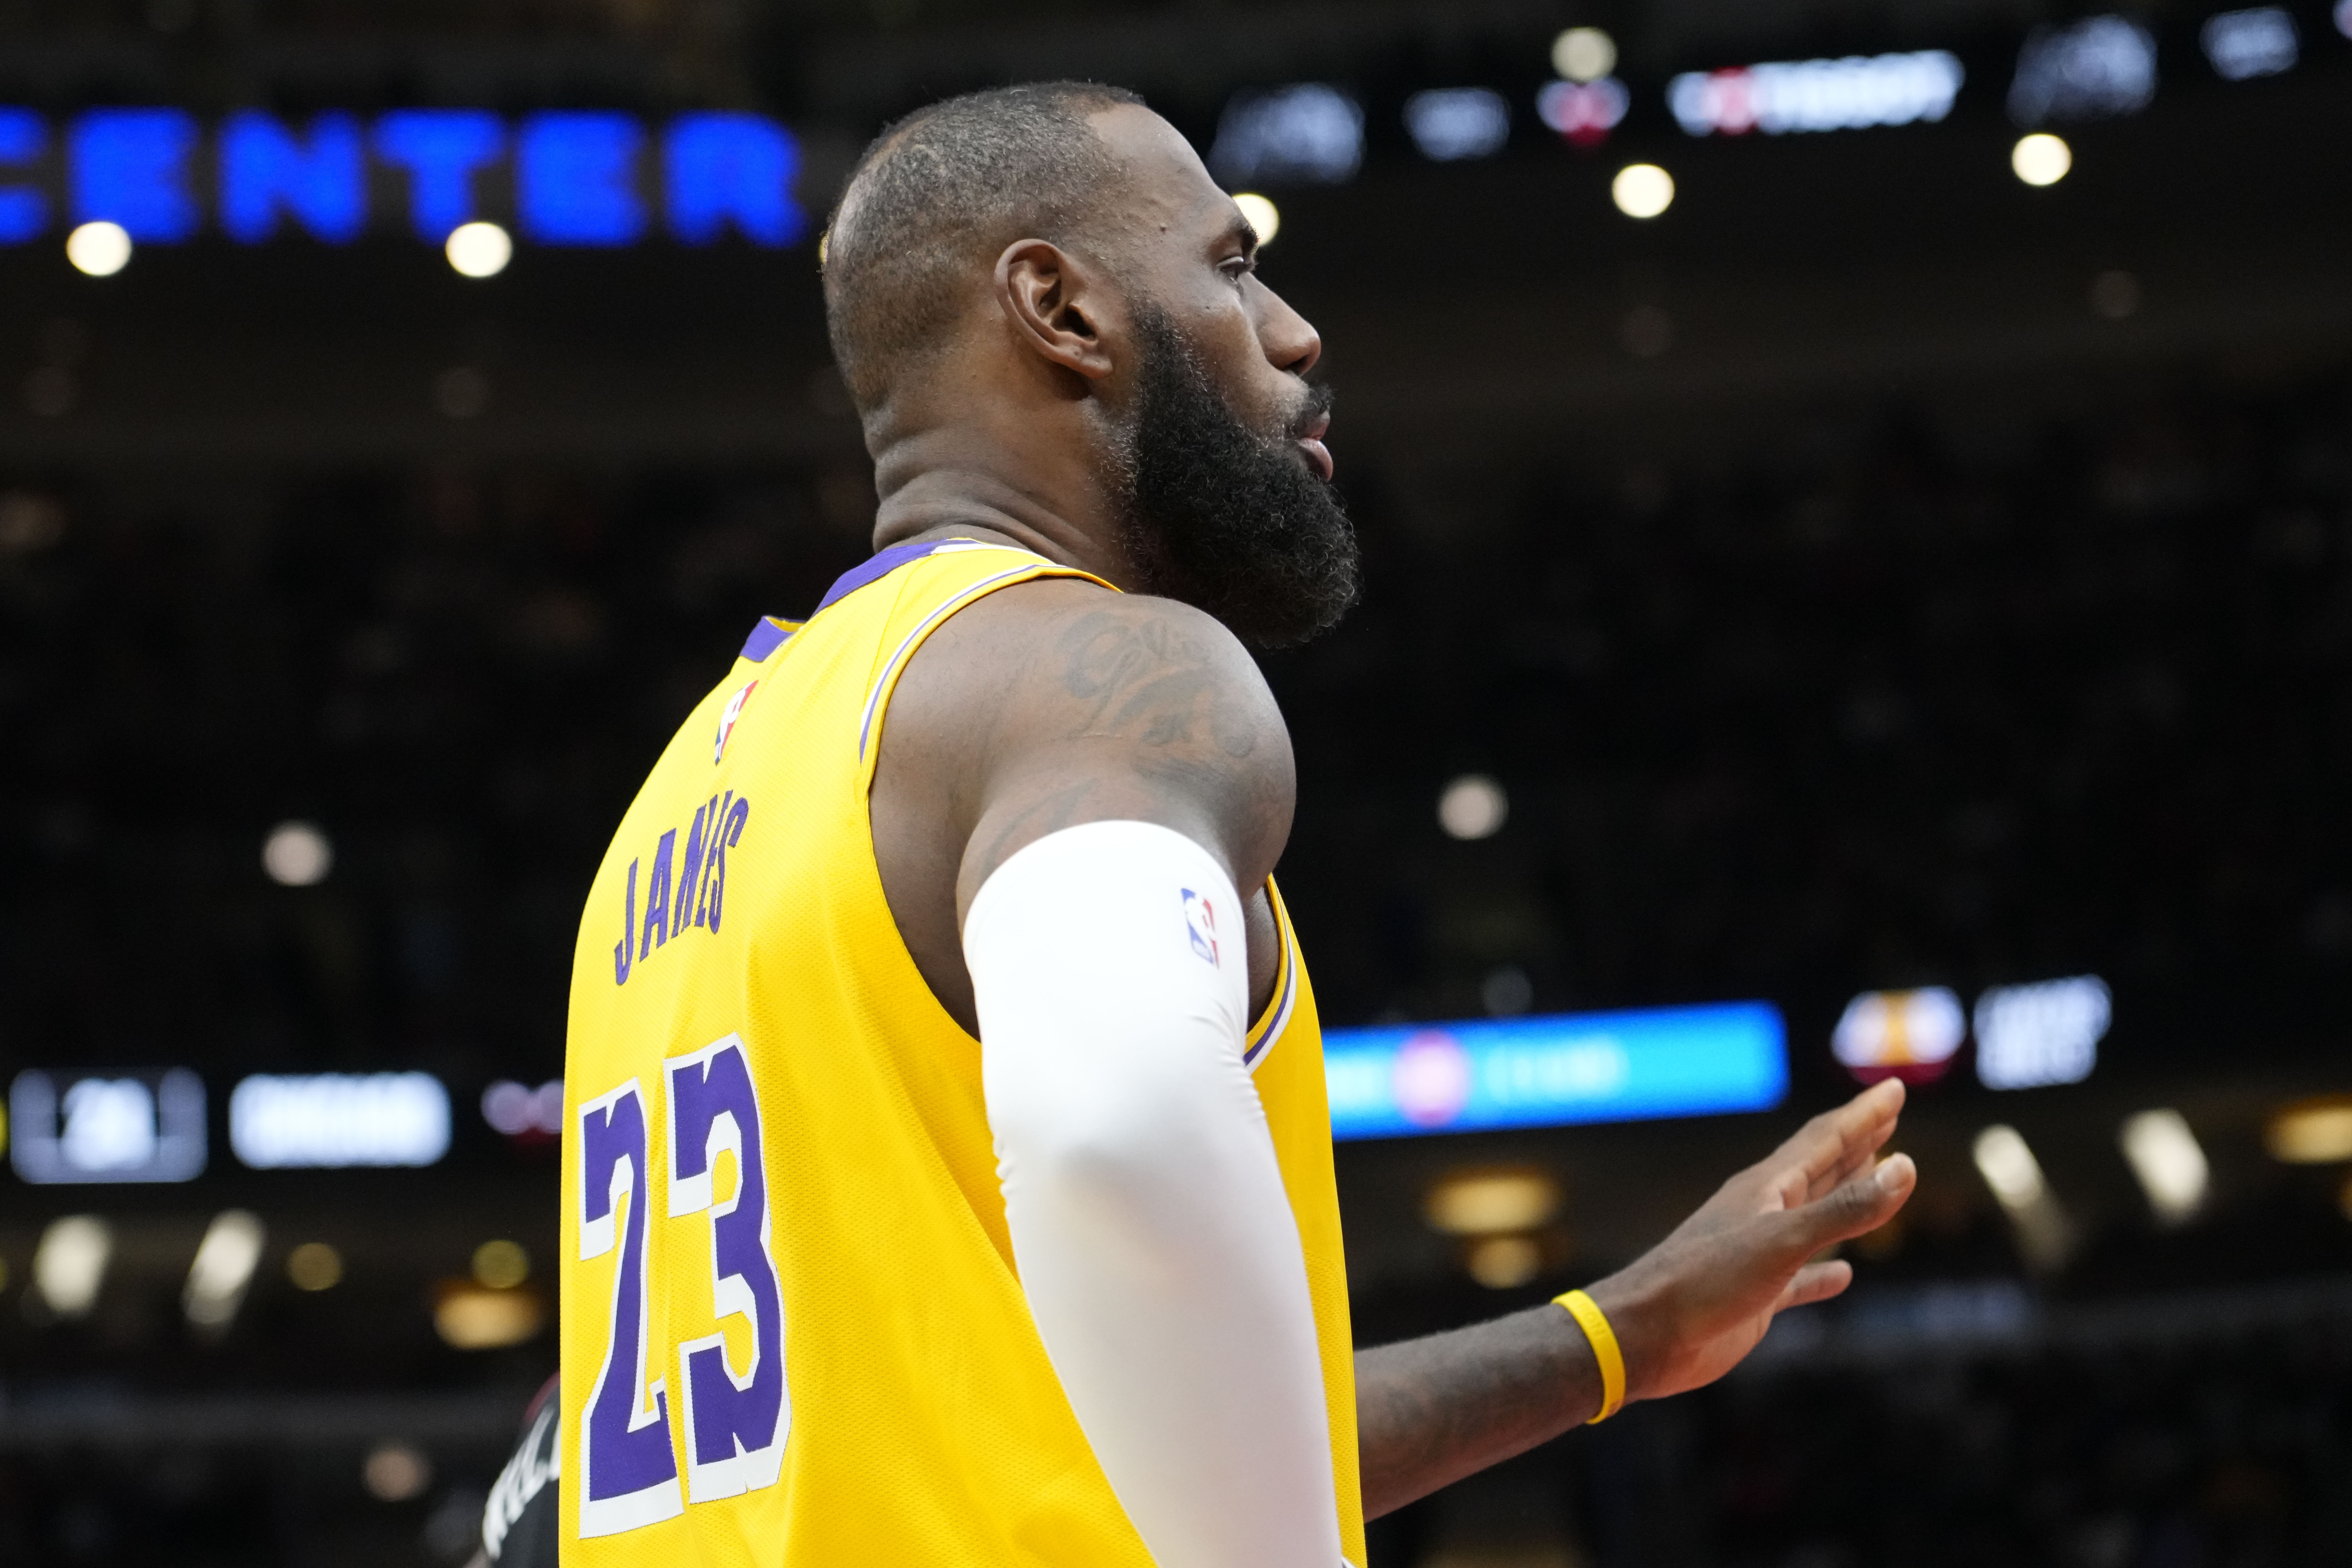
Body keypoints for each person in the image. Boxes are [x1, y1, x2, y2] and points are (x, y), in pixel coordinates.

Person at [554, 80, 1916, 1568]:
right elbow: (1121, 1133)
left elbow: (1125, 1431)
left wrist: (1616, 1337)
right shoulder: (1097, 675)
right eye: (1233, 265)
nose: (1296, 333)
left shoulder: (686, 802)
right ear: (1060, 308)